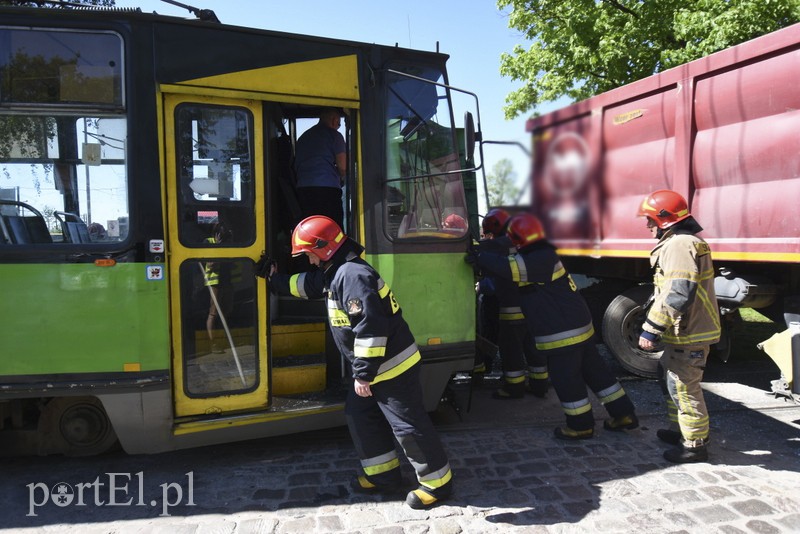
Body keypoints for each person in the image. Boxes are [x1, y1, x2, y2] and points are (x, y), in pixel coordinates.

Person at [266, 215, 453, 509]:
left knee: (408, 426)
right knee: (360, 416)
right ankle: (384, 476)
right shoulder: (336, 271)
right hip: (373, 370)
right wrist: (273, 279)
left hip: (391, 368)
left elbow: (371, 328)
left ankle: (438, 483)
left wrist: (363, 375)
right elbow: (309, 285)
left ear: (323, 248)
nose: (309, 261)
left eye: (308, 254)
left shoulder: (351, 275)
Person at [466, 212, 637, 439]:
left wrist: (478, 256)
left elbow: (508, 268)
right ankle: (624, 414)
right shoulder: (542, 251)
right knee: (597, 374)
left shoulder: (537, 259)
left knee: (566, 379)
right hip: (578, 327)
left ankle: (580, 425)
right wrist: (482, 249)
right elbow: (503, 247)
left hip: (563, 332)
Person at [637, 189, 721, 463]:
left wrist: (651, 328)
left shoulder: (679, 245)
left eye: (650, 219)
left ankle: (695, 445)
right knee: (670, 381)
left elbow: (677, 292)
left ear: (664, 218)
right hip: (686, 329)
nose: (647, 225)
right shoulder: (683, 242)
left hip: (689, 331)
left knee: (684, 387)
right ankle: (680, 431)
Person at [476, 208, 548, 399]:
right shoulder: (525, 243)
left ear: (494, 227)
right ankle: (540, 385)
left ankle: (514, 388)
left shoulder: (498, 245)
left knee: (511, 349)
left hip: (512, 309)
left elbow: (479, 251)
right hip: (533, 307)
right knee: (534, 348)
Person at [294, 108, 347, 228]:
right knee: (332, 227)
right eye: (339, 124)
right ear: (334, 120)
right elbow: (343, 166)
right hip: (327, 190)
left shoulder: (303, 137)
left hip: (303, 189)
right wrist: (343, 176)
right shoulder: (335, 136)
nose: (338, 127)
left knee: (310, 227)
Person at [204, 222, 233, 354]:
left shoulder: (227, 242)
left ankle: (223, 340)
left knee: (226, 310)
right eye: (221, 233)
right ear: (215, 233)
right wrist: (218, 246)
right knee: (213, 313)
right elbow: (209, 264)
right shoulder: (207, 242)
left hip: (227, 280)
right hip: (215, 282)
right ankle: (212, 344)